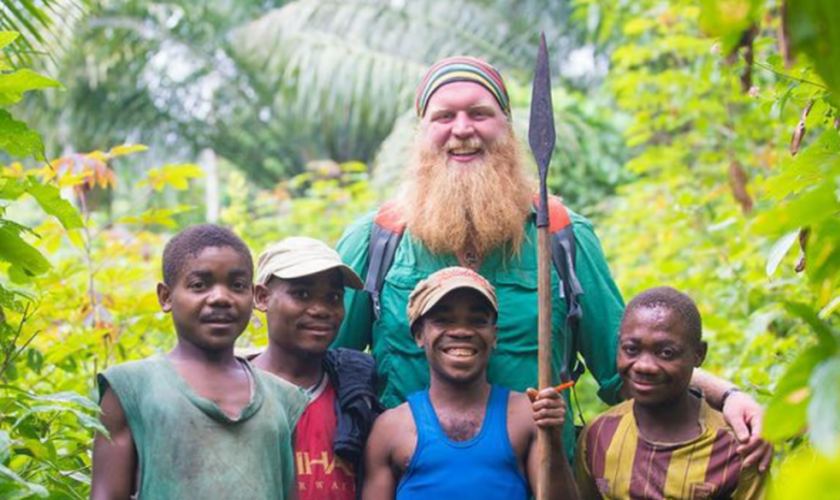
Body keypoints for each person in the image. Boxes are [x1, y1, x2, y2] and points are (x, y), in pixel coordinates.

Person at [335, 55, 771, 469]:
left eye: (479, 114)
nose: (462, 129)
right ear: (422, 132)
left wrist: (728, 396)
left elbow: (628, 366)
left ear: (507, 127)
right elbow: (318, 366)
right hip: (409, 479)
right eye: (444, 117)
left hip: (541, 479)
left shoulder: (560, 235)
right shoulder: (378, 240)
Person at [90, 225, 308, 500]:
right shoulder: (131, 388)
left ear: (253, 296)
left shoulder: (282, 398)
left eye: (237, 285)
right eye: (199, 285)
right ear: (166, 297)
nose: (220, 297)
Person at [363, 267, 579, 500]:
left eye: (477, 321)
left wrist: (553, 440)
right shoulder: (389, 428)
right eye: (443, 320)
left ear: (494, 336)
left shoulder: (527, 415)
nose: (462, 331)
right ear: (419, 335)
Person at [576, 287, 766, 499]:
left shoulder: (734, 447)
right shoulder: (599, 435)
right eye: (631, 349)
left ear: (699, 354)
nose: (644, 366)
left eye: (666, 353)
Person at [251, 237, 383, 500]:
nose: (321, 310)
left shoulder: (356, 398)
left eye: (333, 297)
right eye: (302, 294)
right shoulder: (237, 393)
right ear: (262, 297)